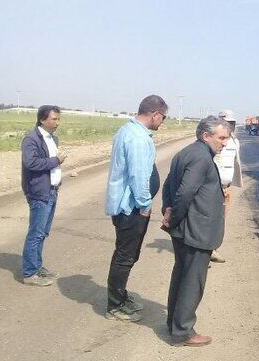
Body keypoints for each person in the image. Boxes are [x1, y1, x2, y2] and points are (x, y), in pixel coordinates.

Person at [161, 116, 231, 347]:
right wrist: (174, 217)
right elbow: (185, 192)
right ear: (206, 135)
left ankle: (174, 322)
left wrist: (168, 210)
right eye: (221, 138)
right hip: (196, 231)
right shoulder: (201, 158)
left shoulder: (187, 153)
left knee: (181, 276)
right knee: (193, 281)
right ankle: (183, 332)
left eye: (226, 138)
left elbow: (169, 186)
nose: (224, 143)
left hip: (185, 229)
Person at [104, 95, 168, 321]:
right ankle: (115, 305)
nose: (162, 123)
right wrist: (144, 204)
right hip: (131, 208)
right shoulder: (138, 138)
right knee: (125, 255)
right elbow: (139, 175)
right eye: (163, 118)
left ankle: (120, 295)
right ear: (155, 114)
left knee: (127, 253)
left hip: (125, 206)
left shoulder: (127, 131)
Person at [20, 105, 67, 286]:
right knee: (36, 233)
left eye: (58, 119)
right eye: (54, 119)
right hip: (39, 192)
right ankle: (29, 273)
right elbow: (31, 163)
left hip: (52, 190)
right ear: (42, 119)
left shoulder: (53, 138)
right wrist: (56, 160)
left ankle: (37, 267)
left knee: (42, 233)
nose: (57, 122)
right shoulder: (31, 139)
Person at [211, 110, 243, 263]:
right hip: (213, 187)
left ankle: (213, 248)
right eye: (229, 123)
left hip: (227, 187)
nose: (232, 126)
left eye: (233, 123)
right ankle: (206, 251)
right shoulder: (213, 140)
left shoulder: (235, 141)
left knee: (221, 219)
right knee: (211, 218)